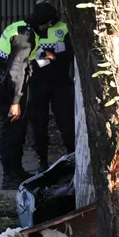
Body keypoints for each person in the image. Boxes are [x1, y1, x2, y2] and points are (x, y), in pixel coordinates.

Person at [0, 1, 60, 189]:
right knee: (11, 130)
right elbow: (16, 71)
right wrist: (15, 101)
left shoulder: (25, 29)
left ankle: (17, 170)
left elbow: (27, 62)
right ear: (46, 24)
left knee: (19, 129)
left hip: (10, 82)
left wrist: (45, 58)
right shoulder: (25, 37)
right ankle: (8, 176)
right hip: (8, 86)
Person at [28, 18, 75, 173]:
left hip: (60, 84)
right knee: (38, 124)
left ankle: (72, 158)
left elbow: (71, 53)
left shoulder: (64, 29)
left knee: (66, 122)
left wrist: (54, 56)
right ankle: (42, 162)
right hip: (37, 84)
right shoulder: (30, 29)